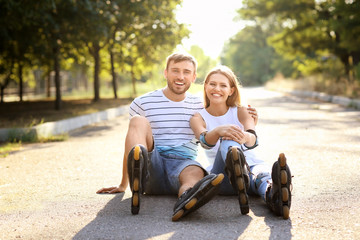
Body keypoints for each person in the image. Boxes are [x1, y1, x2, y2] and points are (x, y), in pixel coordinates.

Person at [97, 52, 227, 221]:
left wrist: (246, 117)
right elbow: (131, 141)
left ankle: (187, 197)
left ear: (194, 77)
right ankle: (138, 180)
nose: (180, 77)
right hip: (151, 164)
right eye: (175, 70)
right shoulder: (142, 102)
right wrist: (123, 184)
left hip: (184, 163)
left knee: (195, 172)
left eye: (186, 72)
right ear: (165, 73)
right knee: (138, 121)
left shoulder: (201, 105)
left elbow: (224, 114)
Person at [189, 65, 292, 219]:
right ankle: (236, 168)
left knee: (261, 176)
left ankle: (274, 197)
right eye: (212, 84)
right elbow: (205, 142)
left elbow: (253, 139)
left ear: (231, 90)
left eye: (223, 85)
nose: (217, 88)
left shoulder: (242, 111)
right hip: (223, 176)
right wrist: (218, 131)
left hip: (251, 168)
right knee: (227, 142)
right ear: (205, 86)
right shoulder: (198, 117)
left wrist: (244, 137)